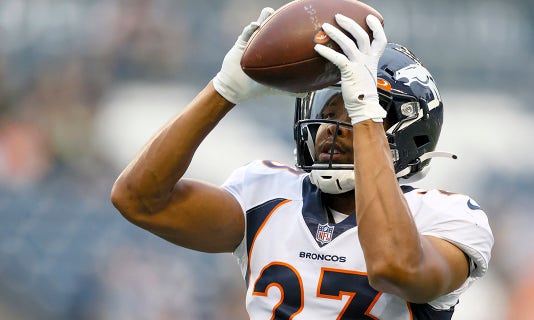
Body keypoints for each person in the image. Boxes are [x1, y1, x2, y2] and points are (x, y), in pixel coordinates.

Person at [111, 7, 493, 319]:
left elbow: (395, 267)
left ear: (411, 133)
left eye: (357, 112)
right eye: (331, 110)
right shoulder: (265, 192)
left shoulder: (448, 216)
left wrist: (366, 112)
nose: (334, 127)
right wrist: (223, 90)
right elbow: (138, 199)